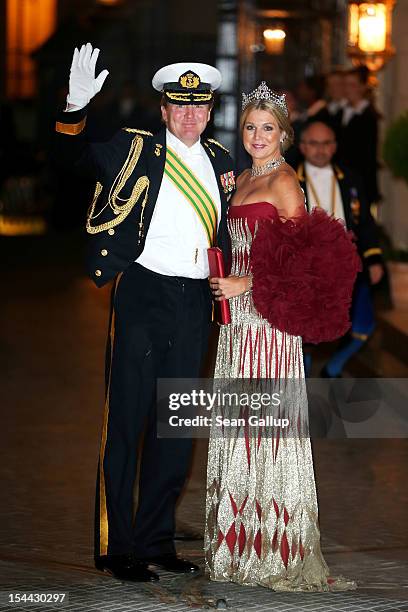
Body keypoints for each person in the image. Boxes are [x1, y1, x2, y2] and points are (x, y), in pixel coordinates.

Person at [55, 43, 234, 582]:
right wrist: (73, 108)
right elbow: (72, 159)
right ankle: (118, 546)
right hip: (142, 294)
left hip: (194, 302)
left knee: (175, 427)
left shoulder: (223, 161)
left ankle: (157, 540)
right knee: (128, 420)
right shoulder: (135, 149)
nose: (189, 114)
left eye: (198, 106)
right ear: (163, 109)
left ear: (208, 111)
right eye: (179, 105)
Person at [205, 83, 358, 591]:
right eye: (250, 127)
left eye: (267, 128)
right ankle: (240, 541)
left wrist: (245, 283)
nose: (257, 135)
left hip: (267, 323)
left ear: (284, 134)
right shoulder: (245, 177)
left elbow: (303, 265)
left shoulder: (286, 183)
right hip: (237, 323)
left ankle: (275, 548)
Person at [298, 120, 383, 377]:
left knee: (358, 321)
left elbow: (365, 222)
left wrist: (374, 257)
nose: (320, 150)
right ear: (302, 147)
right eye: (314, 143)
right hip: (307, 267)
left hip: (346, 264)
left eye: (326, 144)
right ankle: (304, 370)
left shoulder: (351, 179)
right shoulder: (289, 178)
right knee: (306, 327)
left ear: (334, 147)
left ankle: (334, 367)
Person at [337, 66, 380, 205]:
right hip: (344, 176)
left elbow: (364, 154)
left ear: (362, 88)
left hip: (360, 179)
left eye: (352, 85)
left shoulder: (367, 116)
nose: (347, 89)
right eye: (345, 85)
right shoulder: (342, 111)